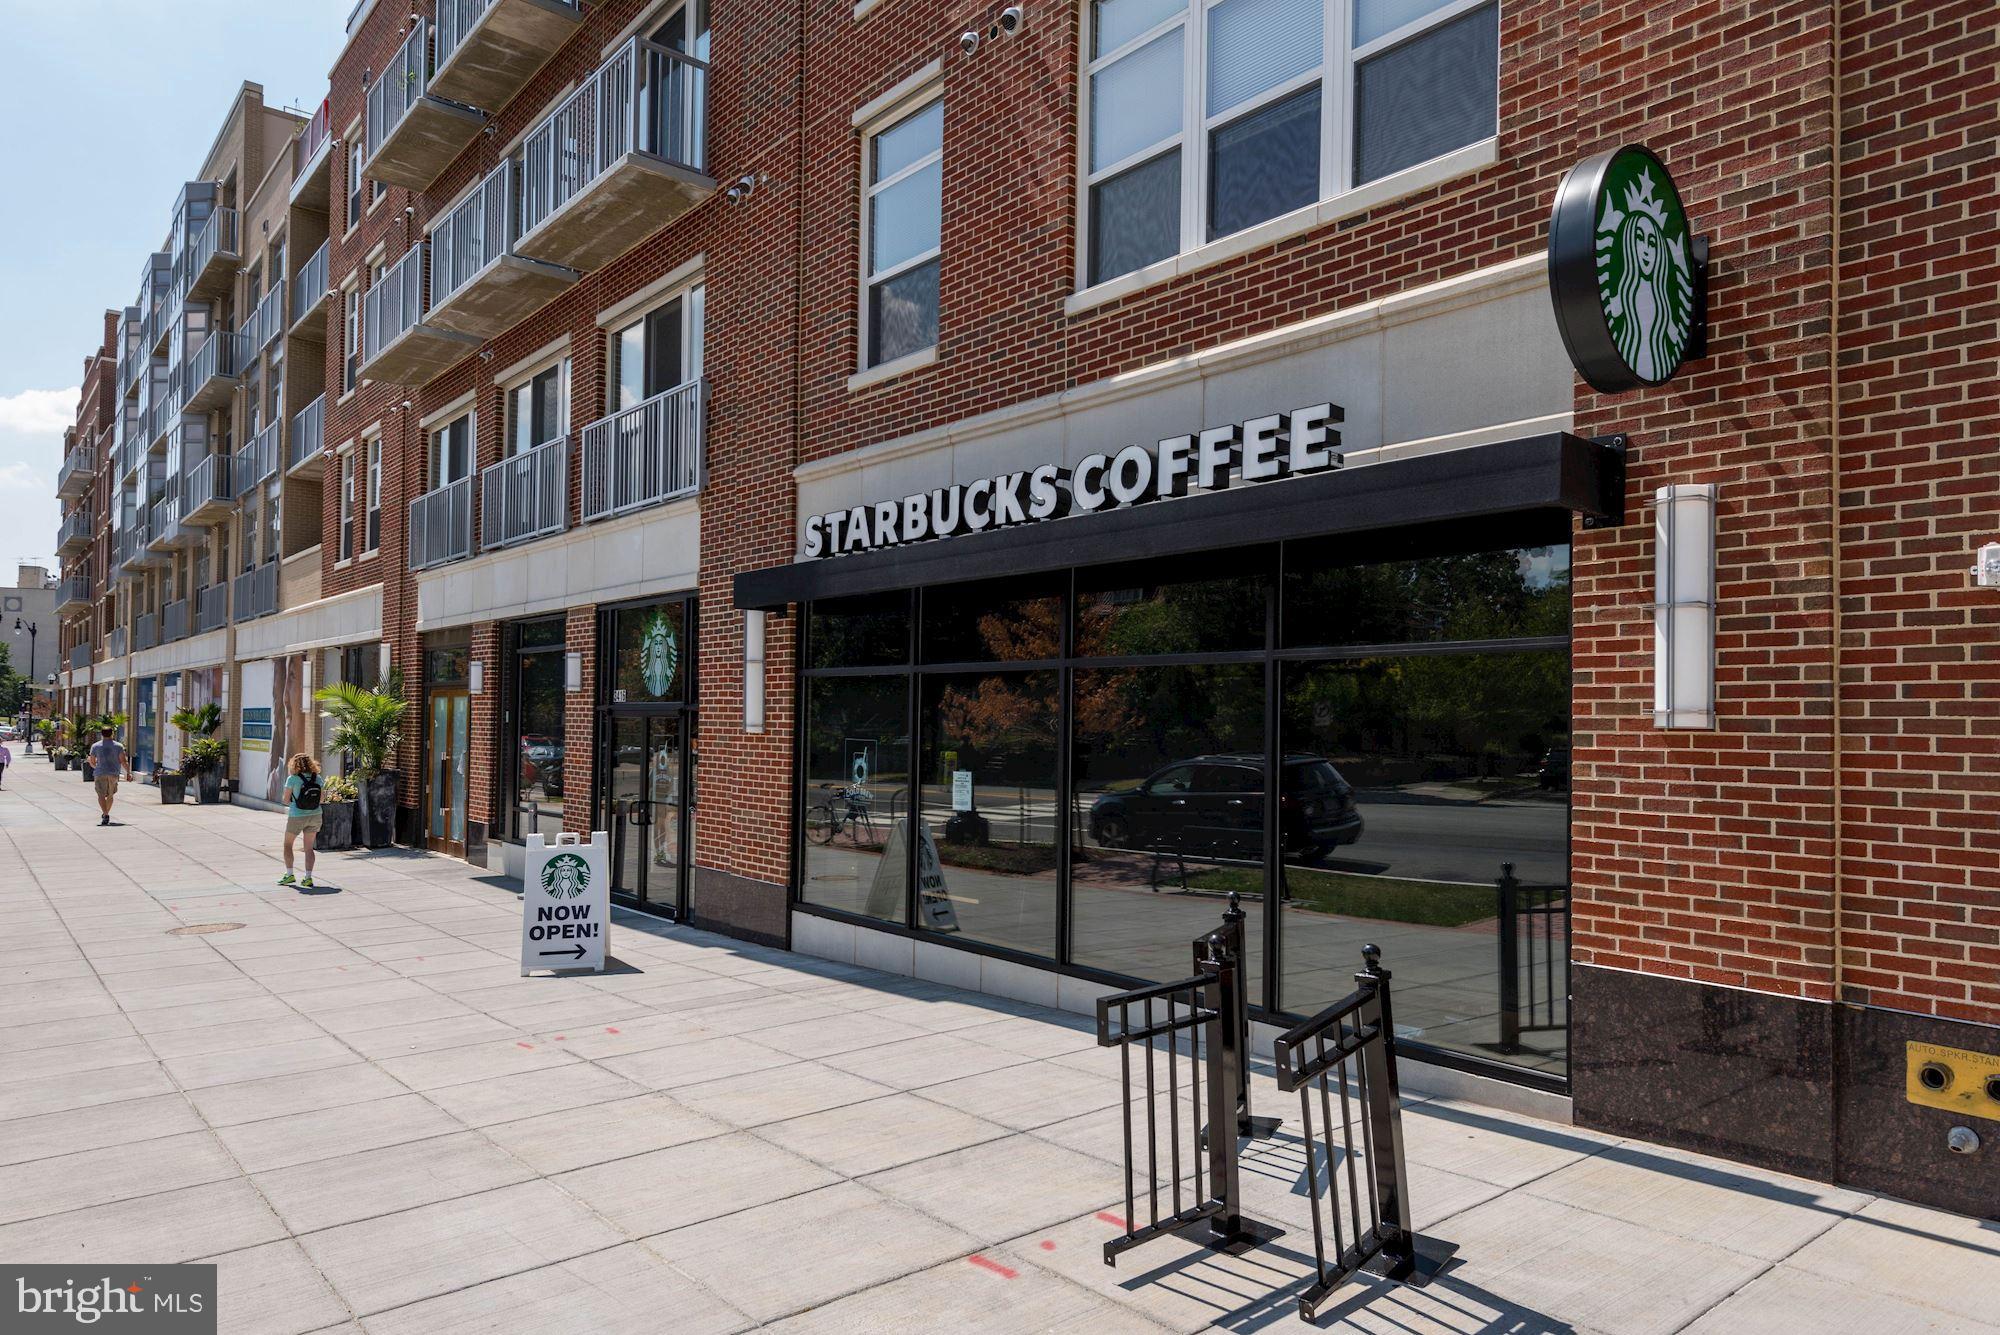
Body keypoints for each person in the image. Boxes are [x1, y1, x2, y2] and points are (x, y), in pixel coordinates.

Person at [279, 753, 325, 888]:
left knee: (288, 845)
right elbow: (321, 800)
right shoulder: (318, 778)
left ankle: (289, 875)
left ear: (294, 764)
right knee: (309, 848)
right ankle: (308, 878)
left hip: (297, 816)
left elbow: (286, 800)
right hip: (316, 815)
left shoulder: (292, 779)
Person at [89, 726, 132, 826]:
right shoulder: (118, 746)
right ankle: (105, 814)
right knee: (110, 795)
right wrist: (128, 773)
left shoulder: (95, 746)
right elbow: (123, 761)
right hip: (113, 774)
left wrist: (97, 767)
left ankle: (105, 814)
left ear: (101, 734)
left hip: (100, 773)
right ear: (112, 734)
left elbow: (92, 762)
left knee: (101, 795)